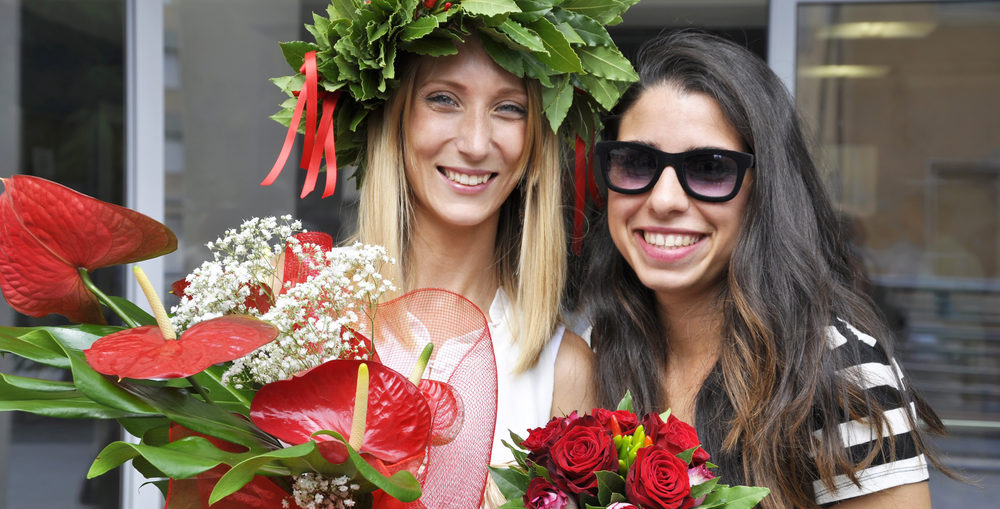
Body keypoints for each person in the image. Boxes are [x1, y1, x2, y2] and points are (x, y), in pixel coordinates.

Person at [264, 1, 640, 471]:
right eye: (444, 98)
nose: (477, 143)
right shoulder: (298, 300)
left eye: (509, 108)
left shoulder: (563, 369)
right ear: (394, 117)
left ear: (535, 142)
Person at [580, 30, 950, 508]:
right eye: (636, 163)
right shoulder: (596, 349)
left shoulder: (840, 374)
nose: (665, 200)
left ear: (766, 191)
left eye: (709, 168)